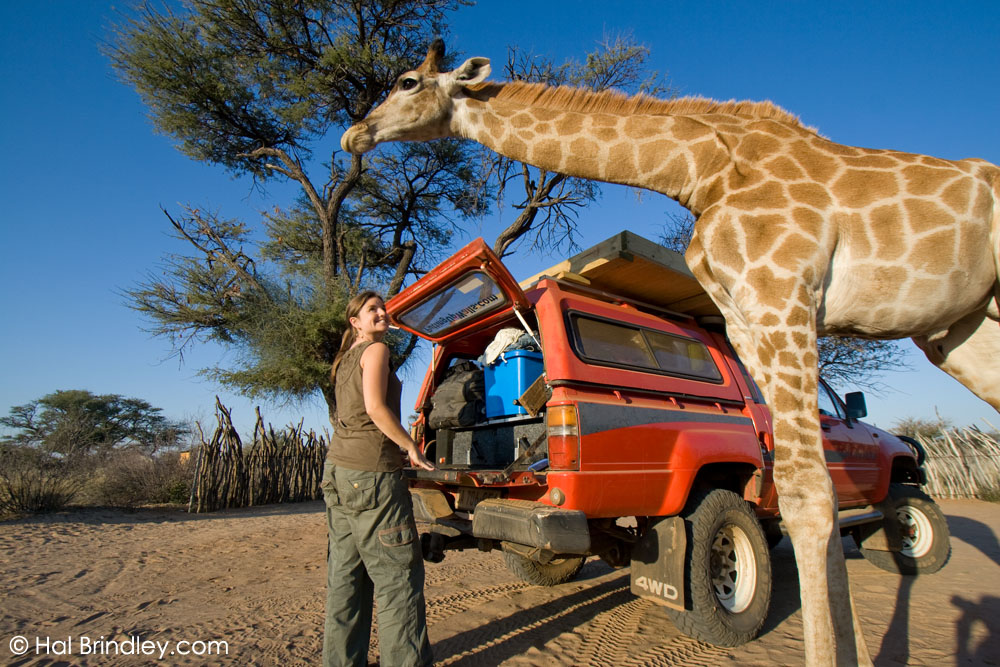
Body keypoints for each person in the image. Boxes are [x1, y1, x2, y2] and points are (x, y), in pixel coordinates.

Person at [322, 290, 435, 667]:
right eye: (372, 309)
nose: (382, 313)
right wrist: (411, 447)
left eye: (383, 307)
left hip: (338, 470)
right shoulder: (376, 351)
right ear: (355, 321)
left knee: (346, 577)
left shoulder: (343, 360)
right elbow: (375, 409)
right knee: (397, 578)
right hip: (371, 475)